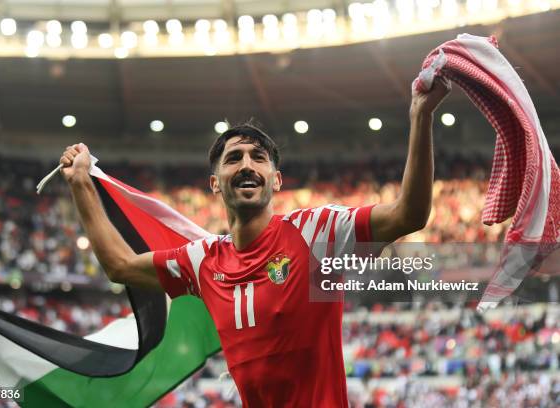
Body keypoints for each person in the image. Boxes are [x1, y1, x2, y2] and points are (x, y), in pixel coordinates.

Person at [59, 76, 451, 407]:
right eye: (233, 158)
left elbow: (408, 215)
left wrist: (421, 115)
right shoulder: (201, 261)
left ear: (276, 180)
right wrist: (81, 185)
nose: (246, 164)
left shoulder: (317, 232)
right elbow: (121, 266)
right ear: (215, 183)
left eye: (258, 157)